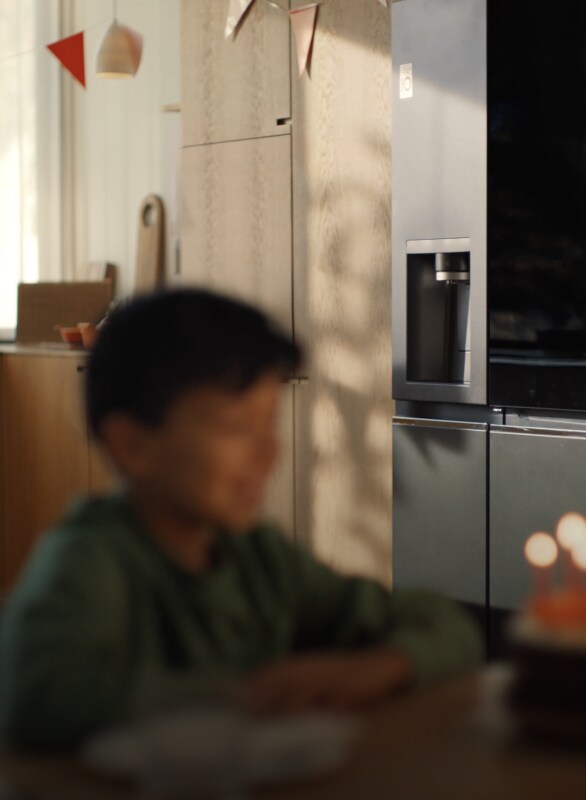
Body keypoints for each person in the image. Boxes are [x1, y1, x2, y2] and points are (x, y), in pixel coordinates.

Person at [0, 288, 482, 751]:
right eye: (236, 428)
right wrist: (241, 694)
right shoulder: (90, 560)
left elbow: (447, 626)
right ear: (133, 445)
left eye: (269, 423)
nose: (269, 452)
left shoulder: (258, 557)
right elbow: (33, 700)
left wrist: (378, 666)